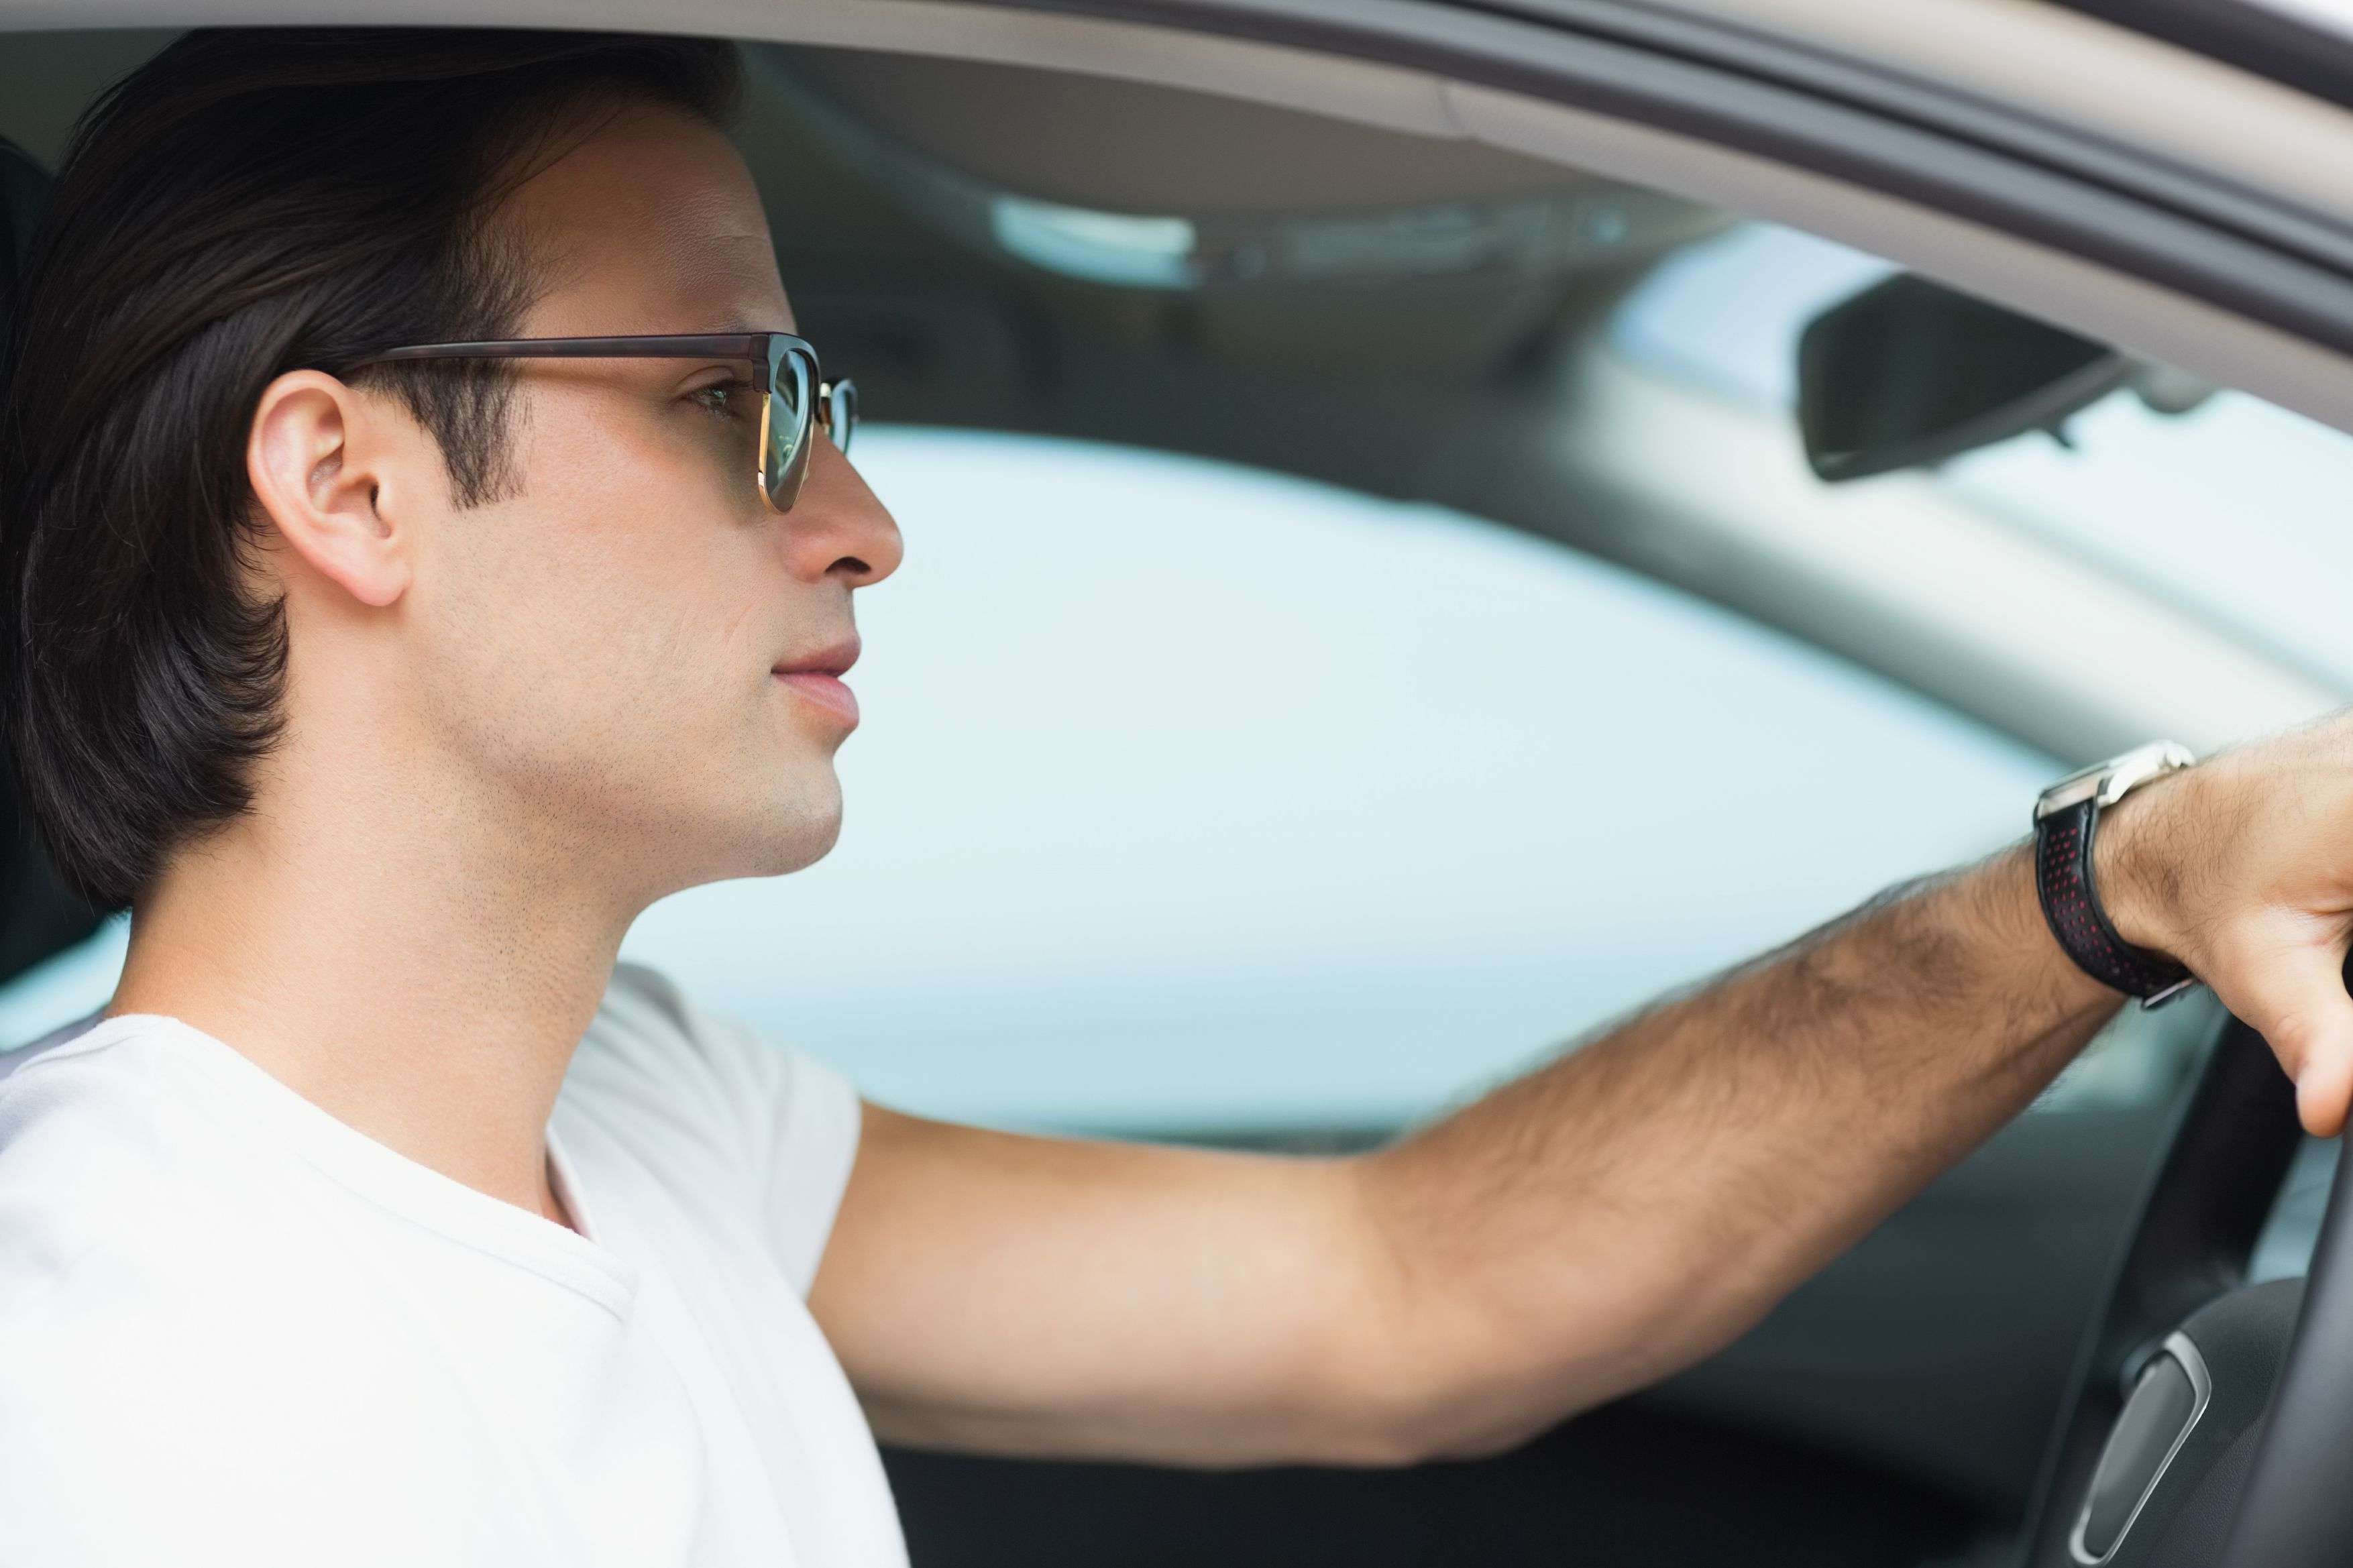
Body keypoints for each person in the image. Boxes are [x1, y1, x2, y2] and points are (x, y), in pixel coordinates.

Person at [3, 25, 2351, 1567]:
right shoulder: (139, 1375)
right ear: (347, 483)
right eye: (742, 401)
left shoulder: (629, 1111)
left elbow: (1403, 1287)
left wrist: (2111, 880)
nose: (861, 523)